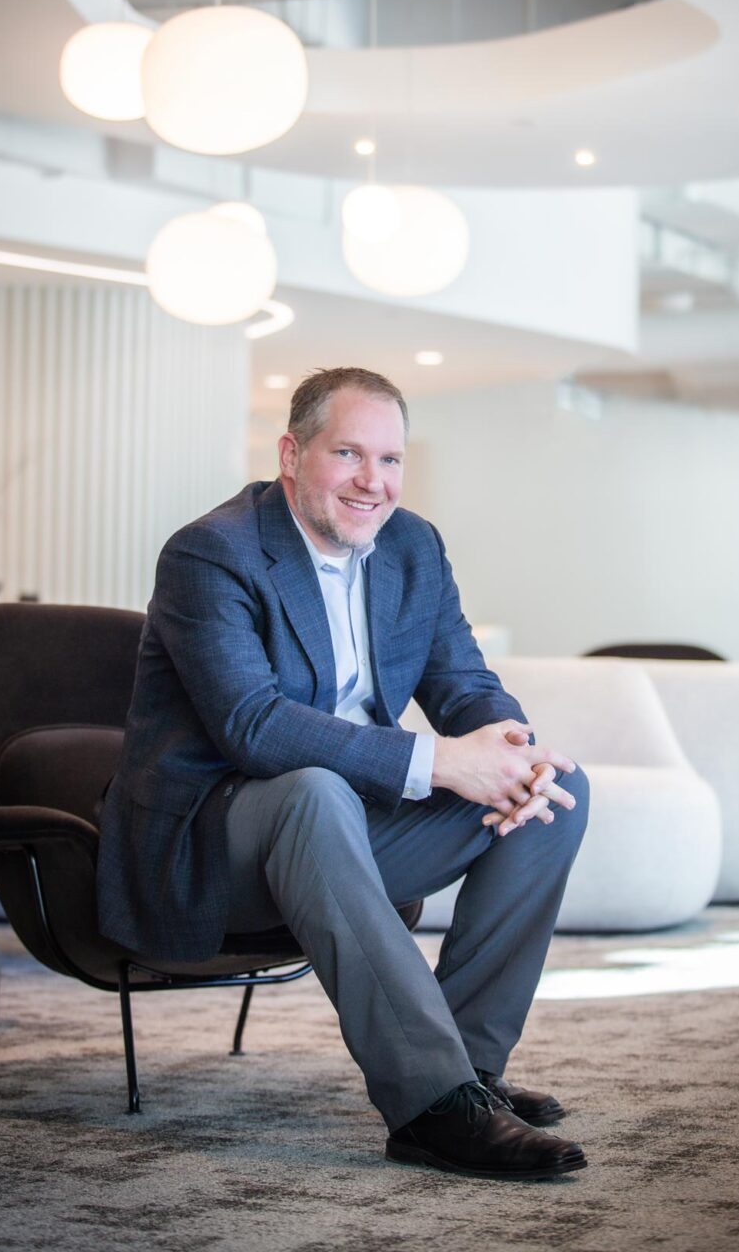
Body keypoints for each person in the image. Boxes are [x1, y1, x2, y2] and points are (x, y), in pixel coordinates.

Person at [97, 367, 591, 1180]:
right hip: (216, 845)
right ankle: (433, 1107)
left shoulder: (411, 544)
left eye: (391, 459)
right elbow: (253, 727)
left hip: (347, 827)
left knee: (556, 800)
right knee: (313, 790)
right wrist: (439, 760)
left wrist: (508, 747)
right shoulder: (210, 553)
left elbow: (460, 681)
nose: (374, 482)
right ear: (292, 455)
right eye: (349, 453)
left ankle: (467, 1077)